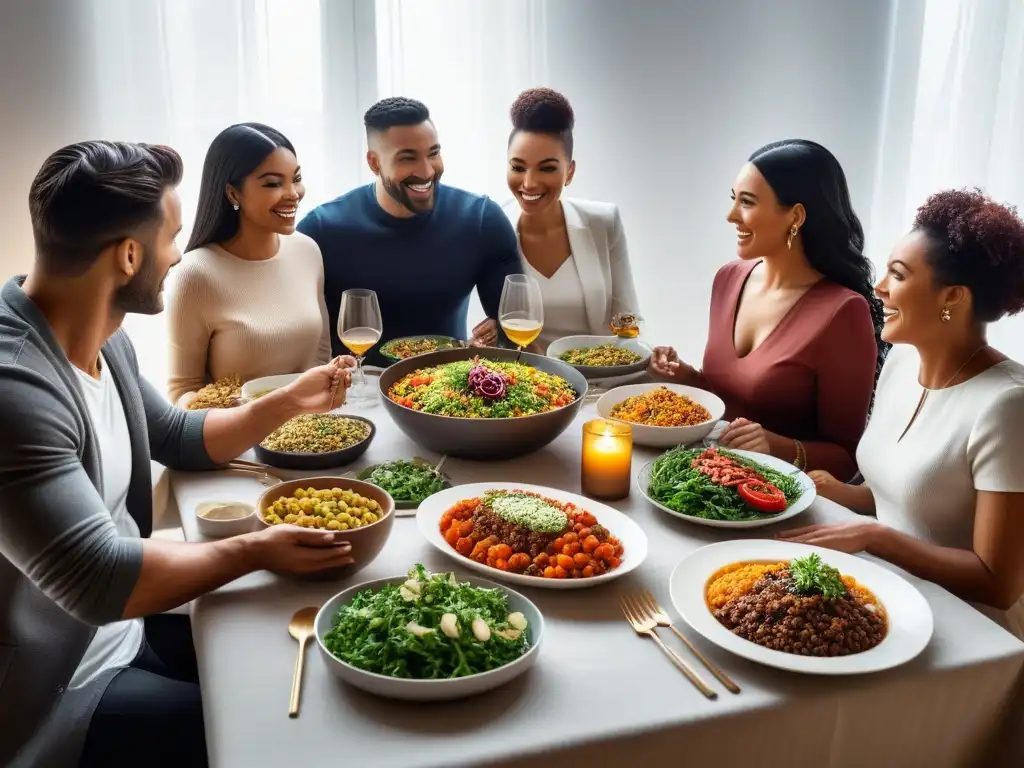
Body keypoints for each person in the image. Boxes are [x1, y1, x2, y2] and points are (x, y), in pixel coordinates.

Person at [0, 141, 357, 768]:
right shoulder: (15, 390)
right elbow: (100, 581)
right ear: (128, 255)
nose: (178, 256)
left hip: (124, 628)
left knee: (300, 667)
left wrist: (289, 400)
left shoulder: (100, 338)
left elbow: (182, 439)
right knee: (280, 736)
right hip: (59, 682)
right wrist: (258, 547)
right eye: (171, 237)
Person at [780, 188, 1024, 638]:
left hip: (972, 634)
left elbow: (998, 583)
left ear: (952, 297)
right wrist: (832, 490)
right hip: (889, 597)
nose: (879, 287)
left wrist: (875, 537)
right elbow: (905, 496)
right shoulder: (901, 359)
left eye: (898, 273)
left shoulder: (1008, 406)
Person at [650, 140, 885, 480]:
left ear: (796, 216)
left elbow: (848, 459)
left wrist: (776, 446)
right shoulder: (728, 278)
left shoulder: (843, 312)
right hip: (707, 478)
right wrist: (687, 378)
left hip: (777, 499)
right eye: (734, 200)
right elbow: (736, 405)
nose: (731, 216)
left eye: (747, 202)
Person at [297, 97, 521, 367]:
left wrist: (497, 335)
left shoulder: (481, 219)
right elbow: (297, 337)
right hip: (354, 396)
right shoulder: (321, 229)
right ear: (374, 163)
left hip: (445, 393)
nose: (427, 171)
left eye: (433, 153)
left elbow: (512, 323)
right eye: (407, 158)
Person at [166, 123, 331, 405]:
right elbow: (182, 392)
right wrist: (245, 417)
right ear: (233, 193)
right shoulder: (195, 274)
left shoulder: (307, 251)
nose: (293, 193)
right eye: (273, 183)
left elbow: (321, 356)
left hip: (313, 432)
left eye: (296, 178)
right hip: (239, 441)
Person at [501, 87, 640, 351]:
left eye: (547, 168)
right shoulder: (493, 227)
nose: (529, 183)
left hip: (601, 380)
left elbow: (628, 316)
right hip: (528, 383)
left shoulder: (603, 222)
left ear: (570, 172)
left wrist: (629, 354)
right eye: (518, 167)